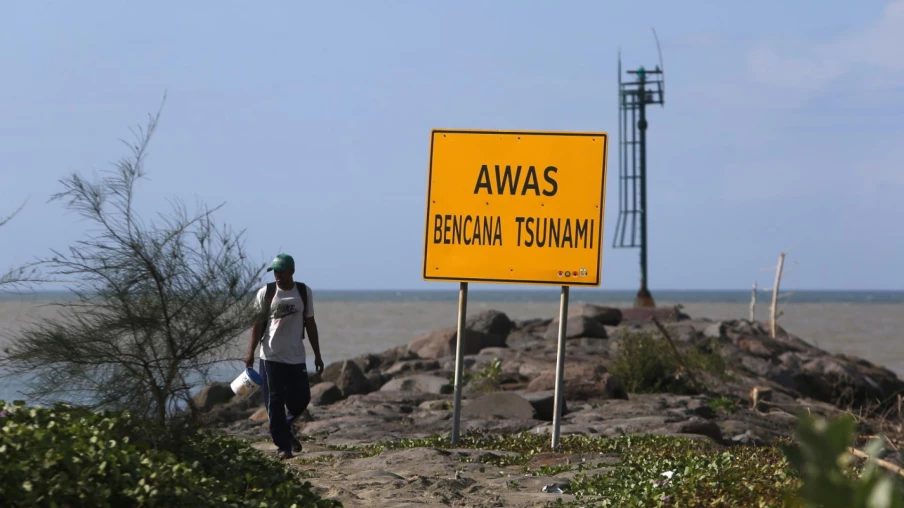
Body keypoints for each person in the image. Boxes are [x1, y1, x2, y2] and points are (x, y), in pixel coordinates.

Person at [244, 253, 324, 460]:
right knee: (275, 402)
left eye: (281, 271)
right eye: (275, 271)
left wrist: (317, 354)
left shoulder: (303, 292)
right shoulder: (266, 293)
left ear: (292, 271)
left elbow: (310, 323)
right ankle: (283, 446)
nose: (277, 275)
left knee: (302, 399)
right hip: (270, 357)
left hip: (296, 356)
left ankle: (284, 427)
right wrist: (250, 352)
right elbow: (257, 325)